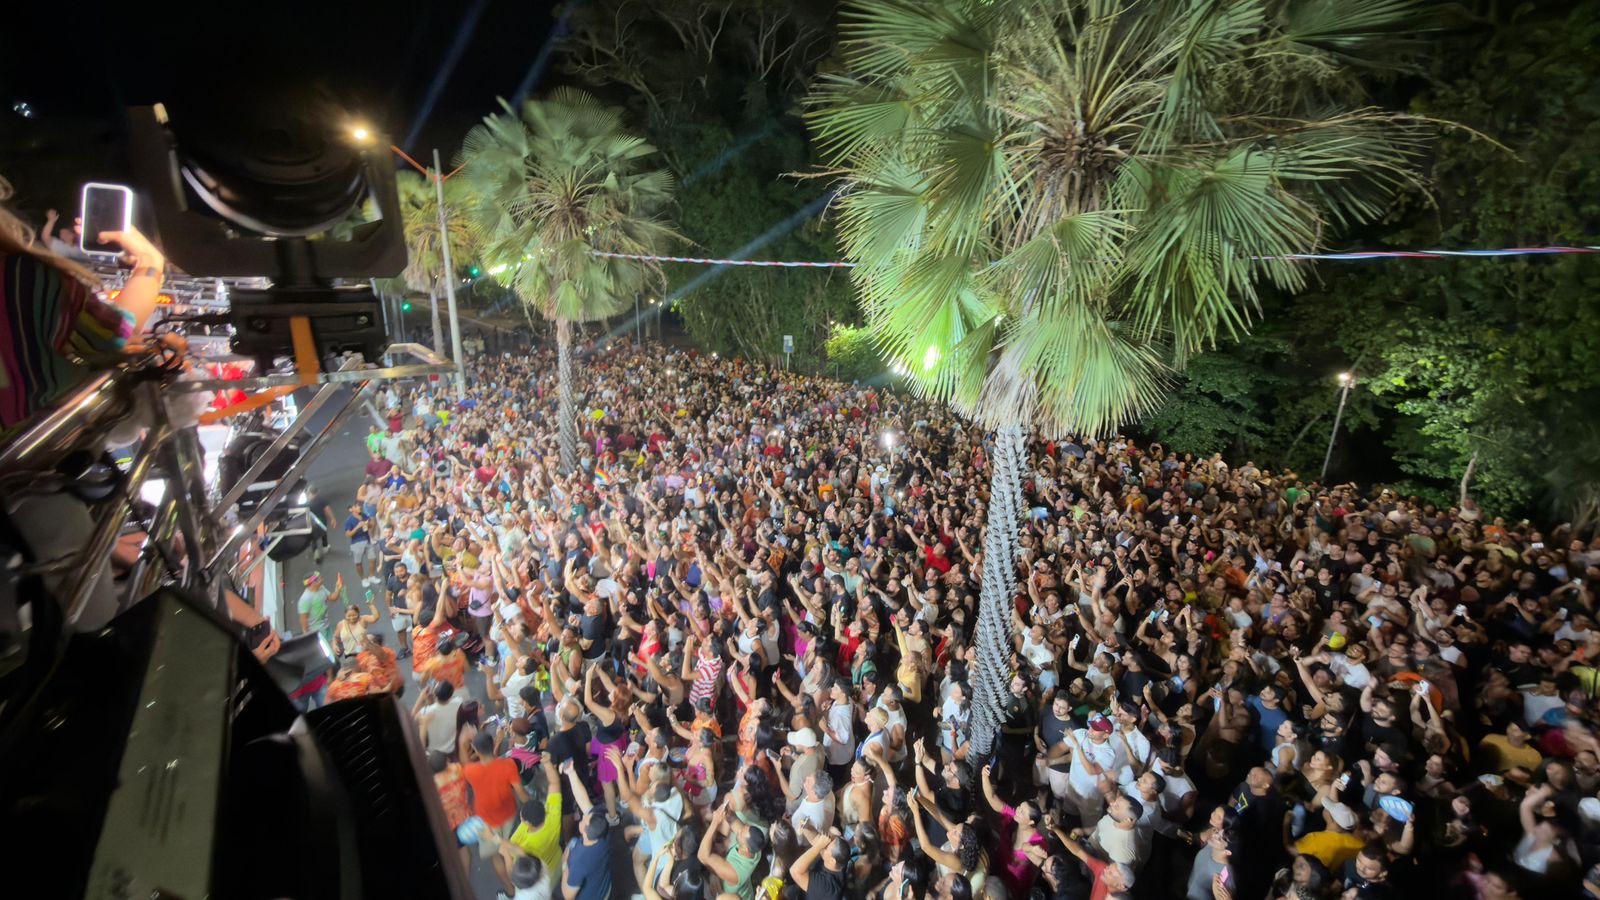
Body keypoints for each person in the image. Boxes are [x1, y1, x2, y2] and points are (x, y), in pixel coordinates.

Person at [559, 760, 611, 900]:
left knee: (571, 844)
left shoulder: (579, 861)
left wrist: (565, 866)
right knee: (573, 842)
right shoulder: (603, 828)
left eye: (583, 821)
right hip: (604, 887)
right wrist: (571, 773)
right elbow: (583, 801)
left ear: (585, 831)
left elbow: (568, 895)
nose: (583, 818)